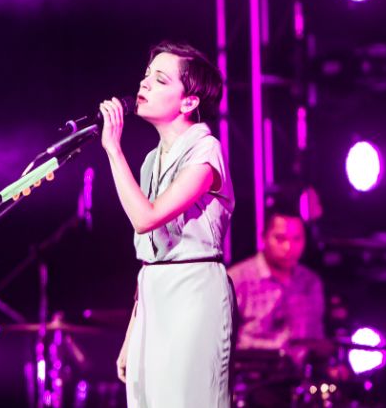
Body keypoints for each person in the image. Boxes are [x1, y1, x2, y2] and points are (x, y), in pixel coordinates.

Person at [100, 41, 235, 407]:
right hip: (153, 295)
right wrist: (133, 332)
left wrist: (113, 149)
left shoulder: (206, 150)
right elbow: (151, 254)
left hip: (193, 292)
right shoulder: (150, 161)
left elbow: (145, 219)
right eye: (147, 76)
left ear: (188, 102)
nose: (144, 84)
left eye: (160, 80)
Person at [227, 206, 325, 353]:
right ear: (263, 238)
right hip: (251, 366)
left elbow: (316, 340)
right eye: (280, 238)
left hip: (299, 367)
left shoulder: (310, 282)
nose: (288, 247)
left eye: (296, 239)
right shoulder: (238, 280)